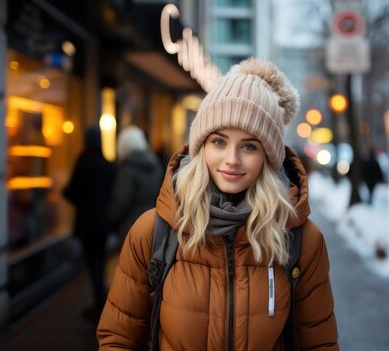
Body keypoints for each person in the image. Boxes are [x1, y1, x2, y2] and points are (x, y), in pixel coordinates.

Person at [97, 58, 339, 350]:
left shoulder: (302, 240)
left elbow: (319, 344)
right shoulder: (153, 233)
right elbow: (119, 339)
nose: (232, 159)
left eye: (249, 146)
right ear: (201, 146)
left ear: (269, 157)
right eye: (219, 142)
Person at [63, 125, 115, 320]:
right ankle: (101, 300)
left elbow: (74, 192)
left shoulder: (83, 163)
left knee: (92, 262)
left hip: (87, 224)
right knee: (99, 262)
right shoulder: (107, 165)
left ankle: (99, 302)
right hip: (103, 223)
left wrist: (65, 193)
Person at [109, 125, 163, 249]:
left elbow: (121, 200)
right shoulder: (154, 163)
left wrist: (111, 218)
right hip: (153, 221)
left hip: (130, 226)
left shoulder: (128, 168)